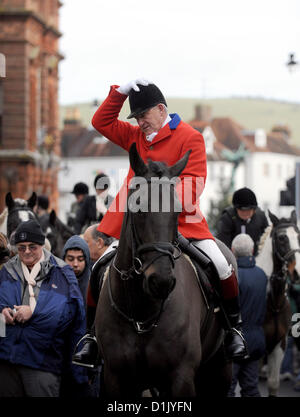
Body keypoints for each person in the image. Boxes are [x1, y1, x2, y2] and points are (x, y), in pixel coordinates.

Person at [90, 78, 247, 360]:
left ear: (162, 110)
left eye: (144, 115)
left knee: (223, 266)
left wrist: (157, 198)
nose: (140, 122)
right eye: (136, 117)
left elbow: (195, 183)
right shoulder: (135, 136)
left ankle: (233, 328)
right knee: (99, 268)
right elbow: (101, 123)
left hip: (181, 221)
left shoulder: (190, 137)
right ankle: (90, 336)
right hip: (137, 226)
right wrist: (119, 94)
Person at [0, 219, 87, 397]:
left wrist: (34, 313)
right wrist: (2, 314)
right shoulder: (7, 270)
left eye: (32, 246)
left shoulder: (61, 272)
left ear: (42, 245)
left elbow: (67, 315)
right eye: (21, 247)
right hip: (6, 360)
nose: (26, 252)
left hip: (42, 363)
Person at [227, 234, 267, 397]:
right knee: (251, 388)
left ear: (232, 251)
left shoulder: (232, 276)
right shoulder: (262, 275)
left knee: (228, 389)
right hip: (256, 340)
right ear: (252, 250)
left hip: (235, 342)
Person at [72, 225, 117, 368]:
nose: (83, 246)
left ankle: (92, 338)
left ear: (99, 242)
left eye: (86, 241)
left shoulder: (108, 263)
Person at [216, 187, 269, 256]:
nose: (245, 213)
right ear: (236, 208)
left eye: (249, 210)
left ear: (254, 209)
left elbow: (266, 239)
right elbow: (223, 243)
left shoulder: (261, 217)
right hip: (233, 258)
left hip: (256, 257)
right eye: (242, 210)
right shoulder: (227, 218)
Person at [62, 235, 91, 310]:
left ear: (86, 260)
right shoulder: (55, 283)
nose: (75, 264)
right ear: (64, 259)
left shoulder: (93, 284)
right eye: (70, 259)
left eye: (80, 259)